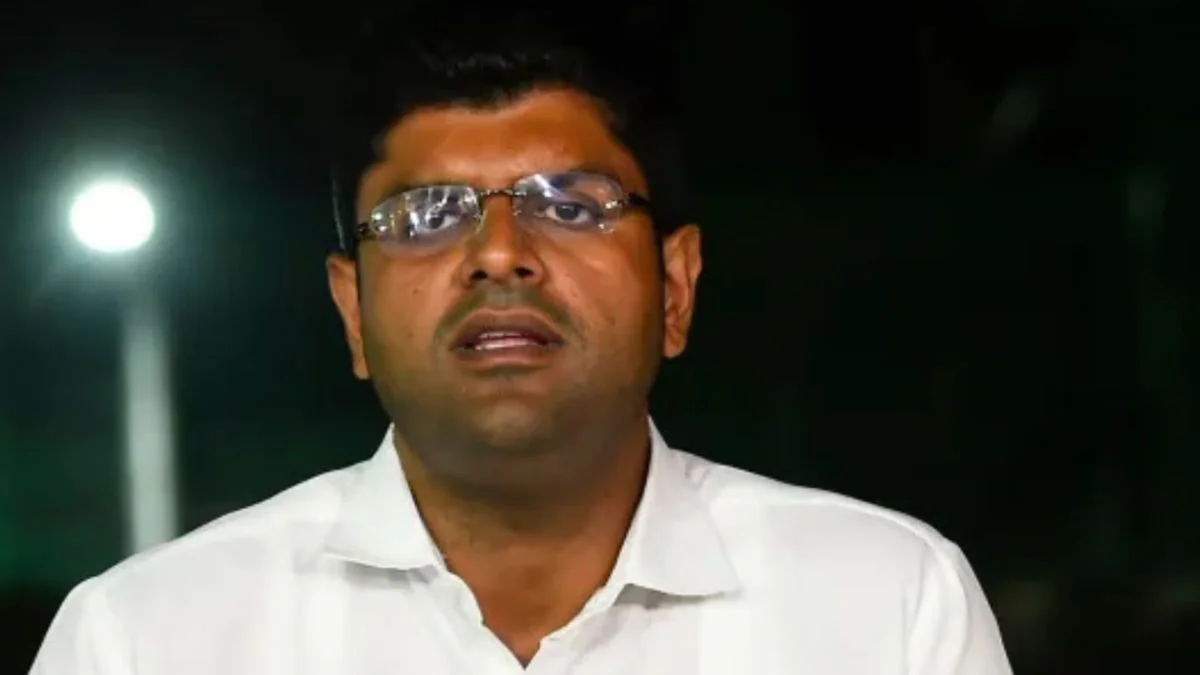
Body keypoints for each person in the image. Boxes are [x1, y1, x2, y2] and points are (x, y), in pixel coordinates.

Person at [31, 7, 1013, 674]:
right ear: (352, 310)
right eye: (427, 216)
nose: (499, 254)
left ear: (675, 287)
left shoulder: (886, 606)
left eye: (571, 205)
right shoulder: (146, 640)